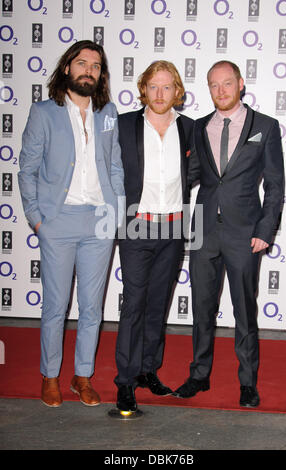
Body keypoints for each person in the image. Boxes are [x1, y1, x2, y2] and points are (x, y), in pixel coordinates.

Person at [18, 40, 124, 408]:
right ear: (67, 68)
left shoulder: (107, 112)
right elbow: (27, 169)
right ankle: (50, 377)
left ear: (101, 74)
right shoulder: (44, 112)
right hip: (57, 222)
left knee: (92, 307)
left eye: (95, 65)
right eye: (82, 63)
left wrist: (116, 213)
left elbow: (114, 166)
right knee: (55, 306)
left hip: (99, 222)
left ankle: (82, 377)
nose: (89, 70)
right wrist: (37, 220)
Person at [174, 60, 284, 407]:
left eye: (226, 83)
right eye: (213, 85)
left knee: (244, 310)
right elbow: (187, 176)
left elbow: (276, 185)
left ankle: (248, 382)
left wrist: (266, 230)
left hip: (245, 233)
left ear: (240, 84)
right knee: (202, 308)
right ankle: (199, 375)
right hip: (204, 230)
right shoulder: (199, 127)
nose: (220, 91)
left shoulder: (265, 126)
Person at [114, 61, 194, 412]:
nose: (160, 94)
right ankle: (125, 380)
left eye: (167, 87)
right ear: (143, 89)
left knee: (158, 303)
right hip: (136, 226)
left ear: (177, 91)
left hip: (174, 227)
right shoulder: (123, 125)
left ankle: (148, 369)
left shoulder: (190, 128)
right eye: (153, 87)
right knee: (134, 304)